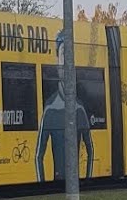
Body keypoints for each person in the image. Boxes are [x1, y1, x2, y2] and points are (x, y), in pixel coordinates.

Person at [36, 29, 95, 182]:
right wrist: (42, 185)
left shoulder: (80, 109)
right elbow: (38, 156)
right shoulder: (50, 109)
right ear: (57, 61)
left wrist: (88, 180)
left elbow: (90, 150)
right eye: (64, 55)